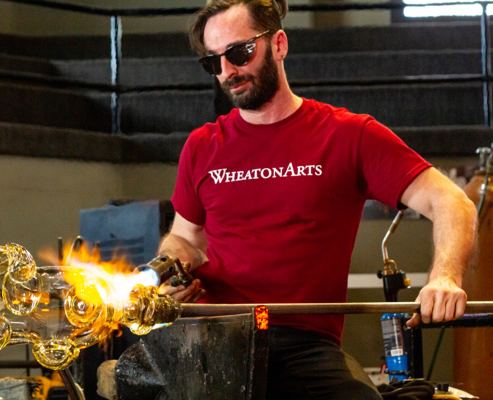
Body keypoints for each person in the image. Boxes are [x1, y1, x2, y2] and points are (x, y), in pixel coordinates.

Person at [157, 0, 477, 399]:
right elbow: (185, 238)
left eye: (239, 53)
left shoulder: (348, 135)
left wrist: (445, 277)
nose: (227, 72)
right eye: (213, 62)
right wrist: (173, 270)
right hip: (212, 339)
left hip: (301, 343)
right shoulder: (203, 145)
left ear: (279, 44)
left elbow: (452, 202)